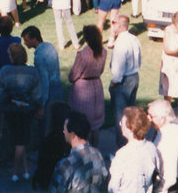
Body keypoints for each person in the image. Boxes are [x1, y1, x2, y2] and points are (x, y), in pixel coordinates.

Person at [0, 43, 44, 183]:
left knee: (19, 141)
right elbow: (38, 94)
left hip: (11, 111)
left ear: (13, 57)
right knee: (21, 140)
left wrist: (9, 98)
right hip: (27, 111)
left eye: (9, 54)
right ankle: (26, 169)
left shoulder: (5, 71)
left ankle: (16, 171)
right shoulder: (32, 72)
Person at [49, 110, 109, 193]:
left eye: (65, 129)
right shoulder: (97, 154)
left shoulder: (65, 165)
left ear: (73, 135)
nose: (63, 131)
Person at [68, 24, 107, 143]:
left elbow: (73, 75)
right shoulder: (103, 52)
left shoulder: (83, 54)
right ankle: (95, 149)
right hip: (96, 86)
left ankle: (85, 150)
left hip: (83, 89)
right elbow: (101, 70)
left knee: (83, 122)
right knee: (95, 123)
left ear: (86, 39)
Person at [108, 106, 160, 193]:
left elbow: (113, 187)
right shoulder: (152, 148)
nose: (120, 125)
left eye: (122, 123)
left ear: (129, 129)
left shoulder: (122, 155)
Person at [109, 14, 141, 147]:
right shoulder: (134, 39)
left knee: (121, 118)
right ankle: (133, 143)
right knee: (131, 115)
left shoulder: (121, 43)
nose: (112, 26)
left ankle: (122, 147)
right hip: (134, 76)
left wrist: (114, 83)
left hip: (123, 81)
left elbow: (118, 68)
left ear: (120, 25)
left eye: (114, 23)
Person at [147, 99, 178, 193]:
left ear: (163, 118)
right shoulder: (176, 127)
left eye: (151, 116)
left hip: (167, 187)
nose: (148, 118)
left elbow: (169, 178)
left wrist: (158, 190)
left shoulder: (167, 142)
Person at [22, 25, 64, 112]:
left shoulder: (39, 57)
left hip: (49, 94)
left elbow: (44, 81)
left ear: (34, 39)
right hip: (58, 89)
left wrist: (42, 104)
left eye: (26, 40)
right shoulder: (50, 46)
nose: (25, 43)